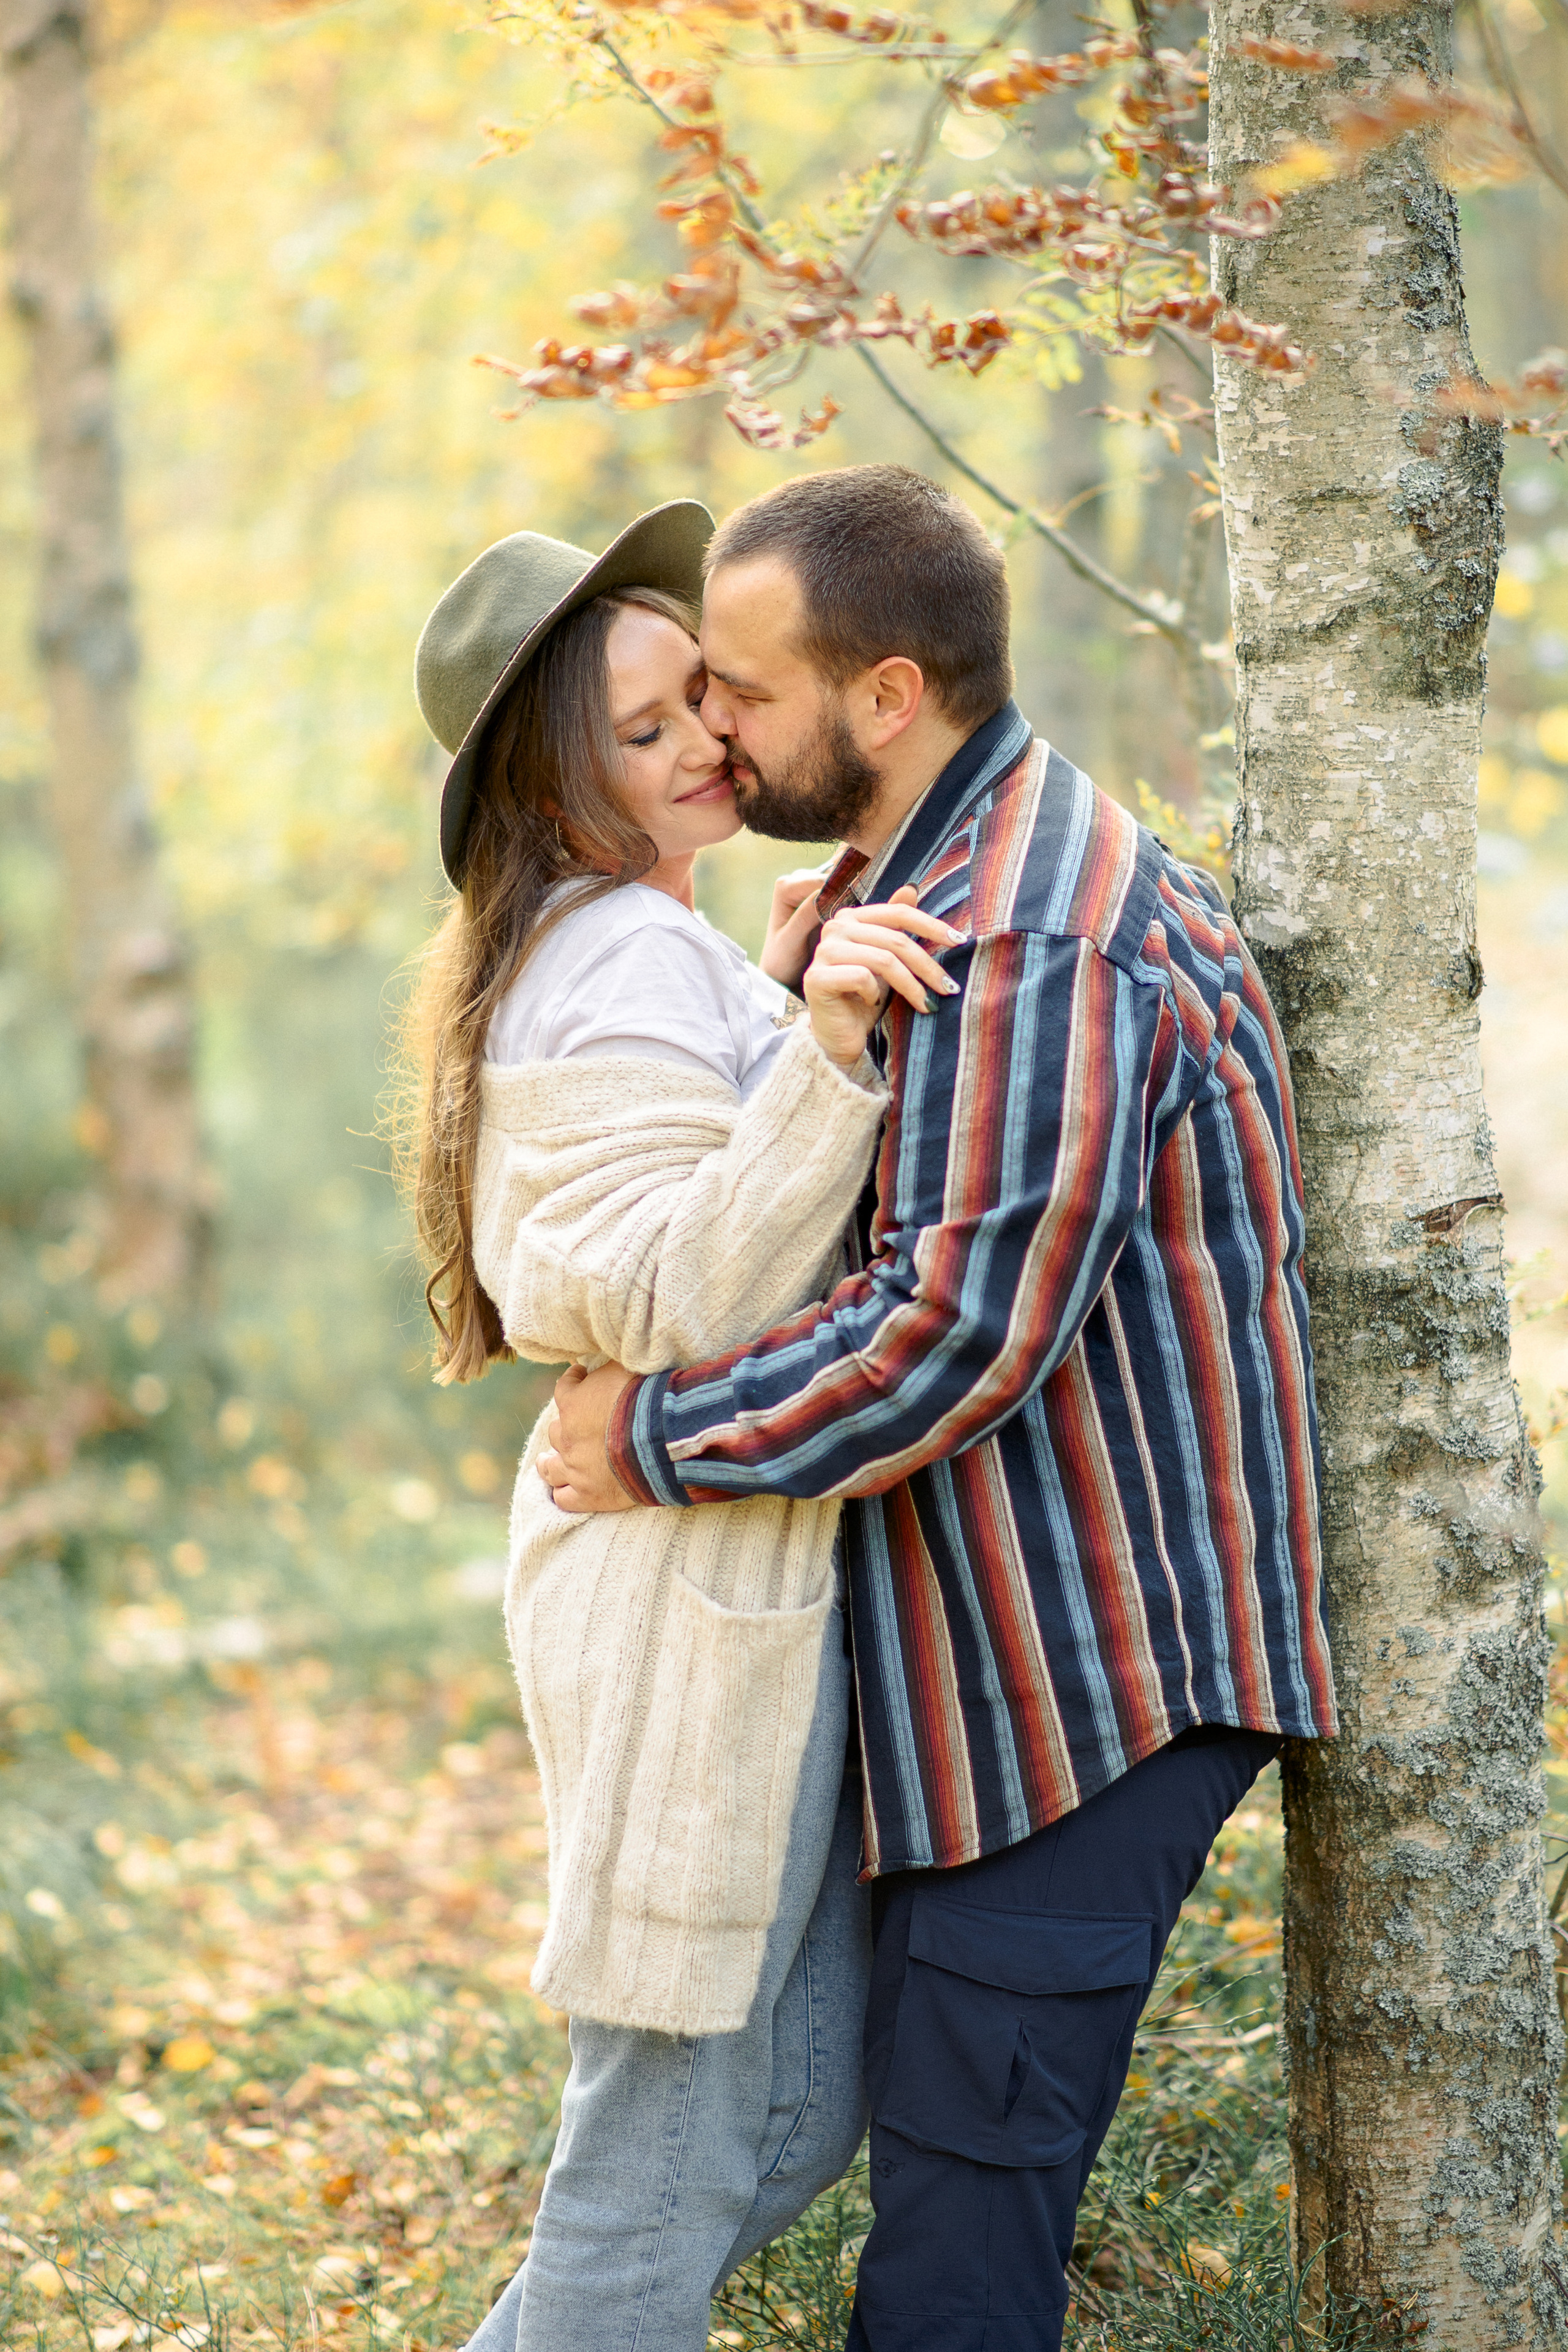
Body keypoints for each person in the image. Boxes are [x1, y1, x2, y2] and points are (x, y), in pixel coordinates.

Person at [538, 463, 1341, 2352]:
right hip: (1002, 1664)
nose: (716, 728)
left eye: (740, 686)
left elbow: (954, 1334)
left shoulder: (1031, 926)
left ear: (884, 699)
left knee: (958, 2270)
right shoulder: (925, 891)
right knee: (915, 2196)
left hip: (1096, 1677)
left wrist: (643, 1441)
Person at [401, 499, 954, 2352]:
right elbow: (663, 1293)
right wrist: (830, 1051)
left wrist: (784, 994)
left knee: (782, 2118)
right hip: (676, 1602)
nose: (710, 742)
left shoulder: (647, 940)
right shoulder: (618, 959)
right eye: (643, 734)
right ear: (560, 792)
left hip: (715, 1577)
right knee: (647, 2183)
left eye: (701, 697)